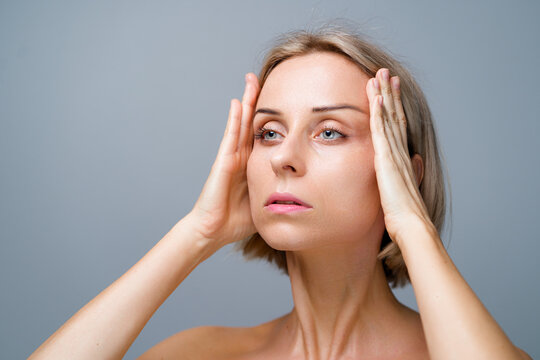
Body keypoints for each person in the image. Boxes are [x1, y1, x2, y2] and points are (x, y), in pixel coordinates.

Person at [29, 25, 531, 360]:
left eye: (330, 131)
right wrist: (196, 234)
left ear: (403, 170)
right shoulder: (201, 354)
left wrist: (412, 224)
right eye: (268, 132)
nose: (282, 157)